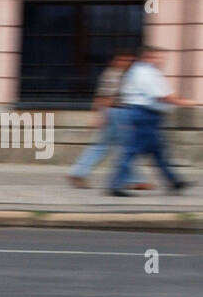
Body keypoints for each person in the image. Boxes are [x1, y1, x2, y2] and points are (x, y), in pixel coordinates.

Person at [108, 47, 195, 196]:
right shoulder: (144, 72)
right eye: (157, 57)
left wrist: (176, 100)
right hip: (144, 116)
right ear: (147, 57)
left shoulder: (148, 71)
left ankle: (174, 182)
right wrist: (184, 102)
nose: (161, 60)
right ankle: (115, 185)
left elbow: (165, 93)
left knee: (158, 153)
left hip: (149, 116)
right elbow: (161, 95)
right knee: (132, 151)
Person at [68, 51, 146, 189]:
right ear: (116, 60)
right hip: (117, 113)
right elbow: (105, 98)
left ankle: (78, 172)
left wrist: (99, 115)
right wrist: (100, 116)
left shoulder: (115, 74)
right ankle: (132, 180)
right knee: (125, 146)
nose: (127, 63)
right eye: (124, 59)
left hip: (114, 113)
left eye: (129, 60)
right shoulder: (114, 75)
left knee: (103, 146)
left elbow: (100, 96)